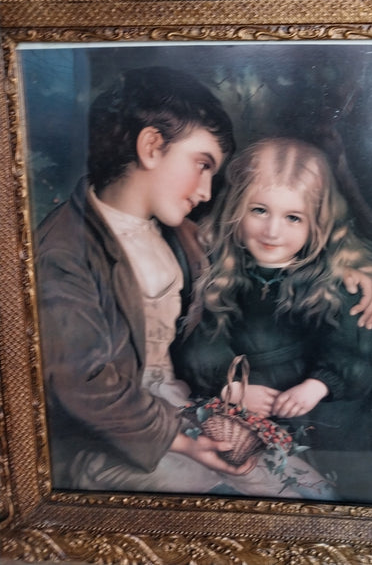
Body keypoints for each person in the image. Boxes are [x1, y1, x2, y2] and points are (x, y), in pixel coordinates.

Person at [36, 67, 337, 499]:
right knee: (235, 506)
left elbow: (256, 273)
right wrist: (188, 444)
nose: (205, 191)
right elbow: (84, 387)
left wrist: (350, 274)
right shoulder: (65, 251)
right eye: (202, 165)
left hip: (186, 412)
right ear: (152, 146)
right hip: (112, 443)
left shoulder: (182, 235)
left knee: (308, 491)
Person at [172, 137, 372, 497]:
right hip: (253, 400)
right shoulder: (221, 271)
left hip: (331, 406)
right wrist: (230, 386)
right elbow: (202, 340)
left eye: (293, 217)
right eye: (259, 211)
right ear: (237, 209)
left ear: (317, 224)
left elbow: (359, 346)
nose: (272, 231)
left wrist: (319, 385)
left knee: (348, 480)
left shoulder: (335, 278)